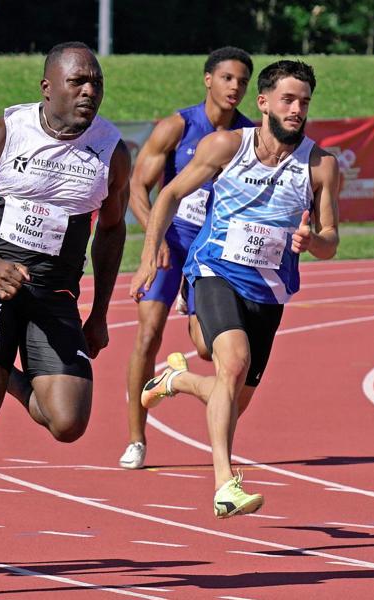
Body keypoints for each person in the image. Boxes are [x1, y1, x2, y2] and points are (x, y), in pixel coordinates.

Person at [0, 42, 129, 597]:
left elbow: (112, 230)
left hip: (57, 294)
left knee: (68, 423)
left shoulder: (111, 151)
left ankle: (9, 379)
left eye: (96, 82)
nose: (89, 91)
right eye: (78, 82)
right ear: (48, 86)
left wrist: (100, 312)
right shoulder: (1, 134)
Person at [130, 60, 339, 519]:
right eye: (288, 99)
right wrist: (150, 255)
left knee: (232, 390)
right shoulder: (227, 145)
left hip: (269, 291)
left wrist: (314, 241)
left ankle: (177, 379)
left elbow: (331, 241)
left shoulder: (321, 165)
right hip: (214, 270)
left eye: (304, 101)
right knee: (234, 362)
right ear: (263, 103)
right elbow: (168, 195)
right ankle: (225, 482)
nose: (297, 109)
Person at [118, 47, 254, 470]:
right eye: (228, 78)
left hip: (213, 247)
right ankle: (137, 438)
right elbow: (137, 188)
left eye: (243, 81)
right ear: (208, 79)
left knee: (207, 348)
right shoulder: (177, 127)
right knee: (148, 333)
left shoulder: (247, 136)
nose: (235, 87)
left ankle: (174, 377)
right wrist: (154, 238)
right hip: (173, 239)